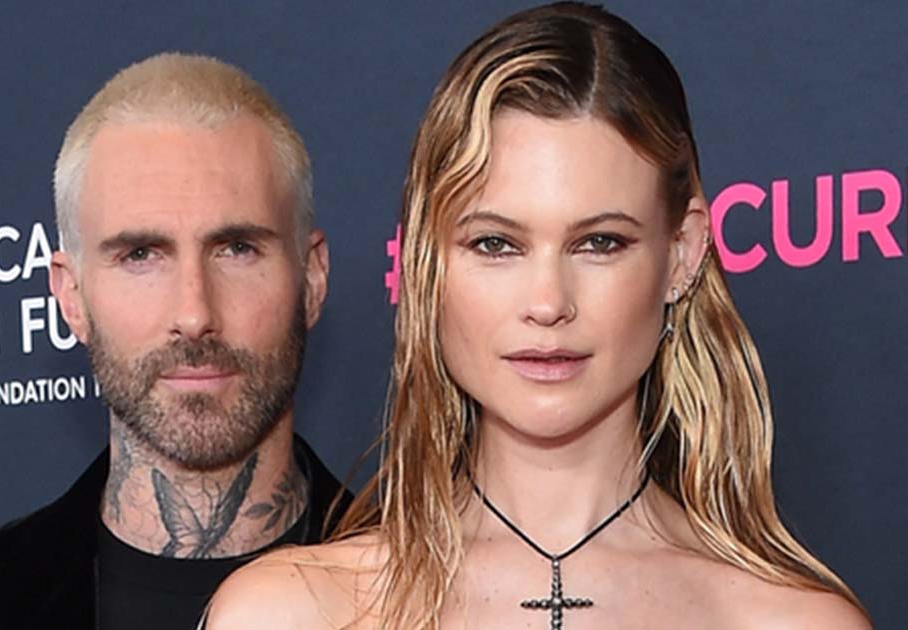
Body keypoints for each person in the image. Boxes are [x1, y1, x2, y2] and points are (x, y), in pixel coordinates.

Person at [205, 3, 871, 629]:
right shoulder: (288, 612)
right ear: (426, 263)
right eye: (496, 244)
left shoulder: (791, 620)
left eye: (600, 243)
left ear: (683, 254)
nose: (548, 303)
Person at [0, 52, 350, 630]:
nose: (194, 313)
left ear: (312, 277)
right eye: (141, 255)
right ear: (71, 296)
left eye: (237, 249)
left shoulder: (438, 595)